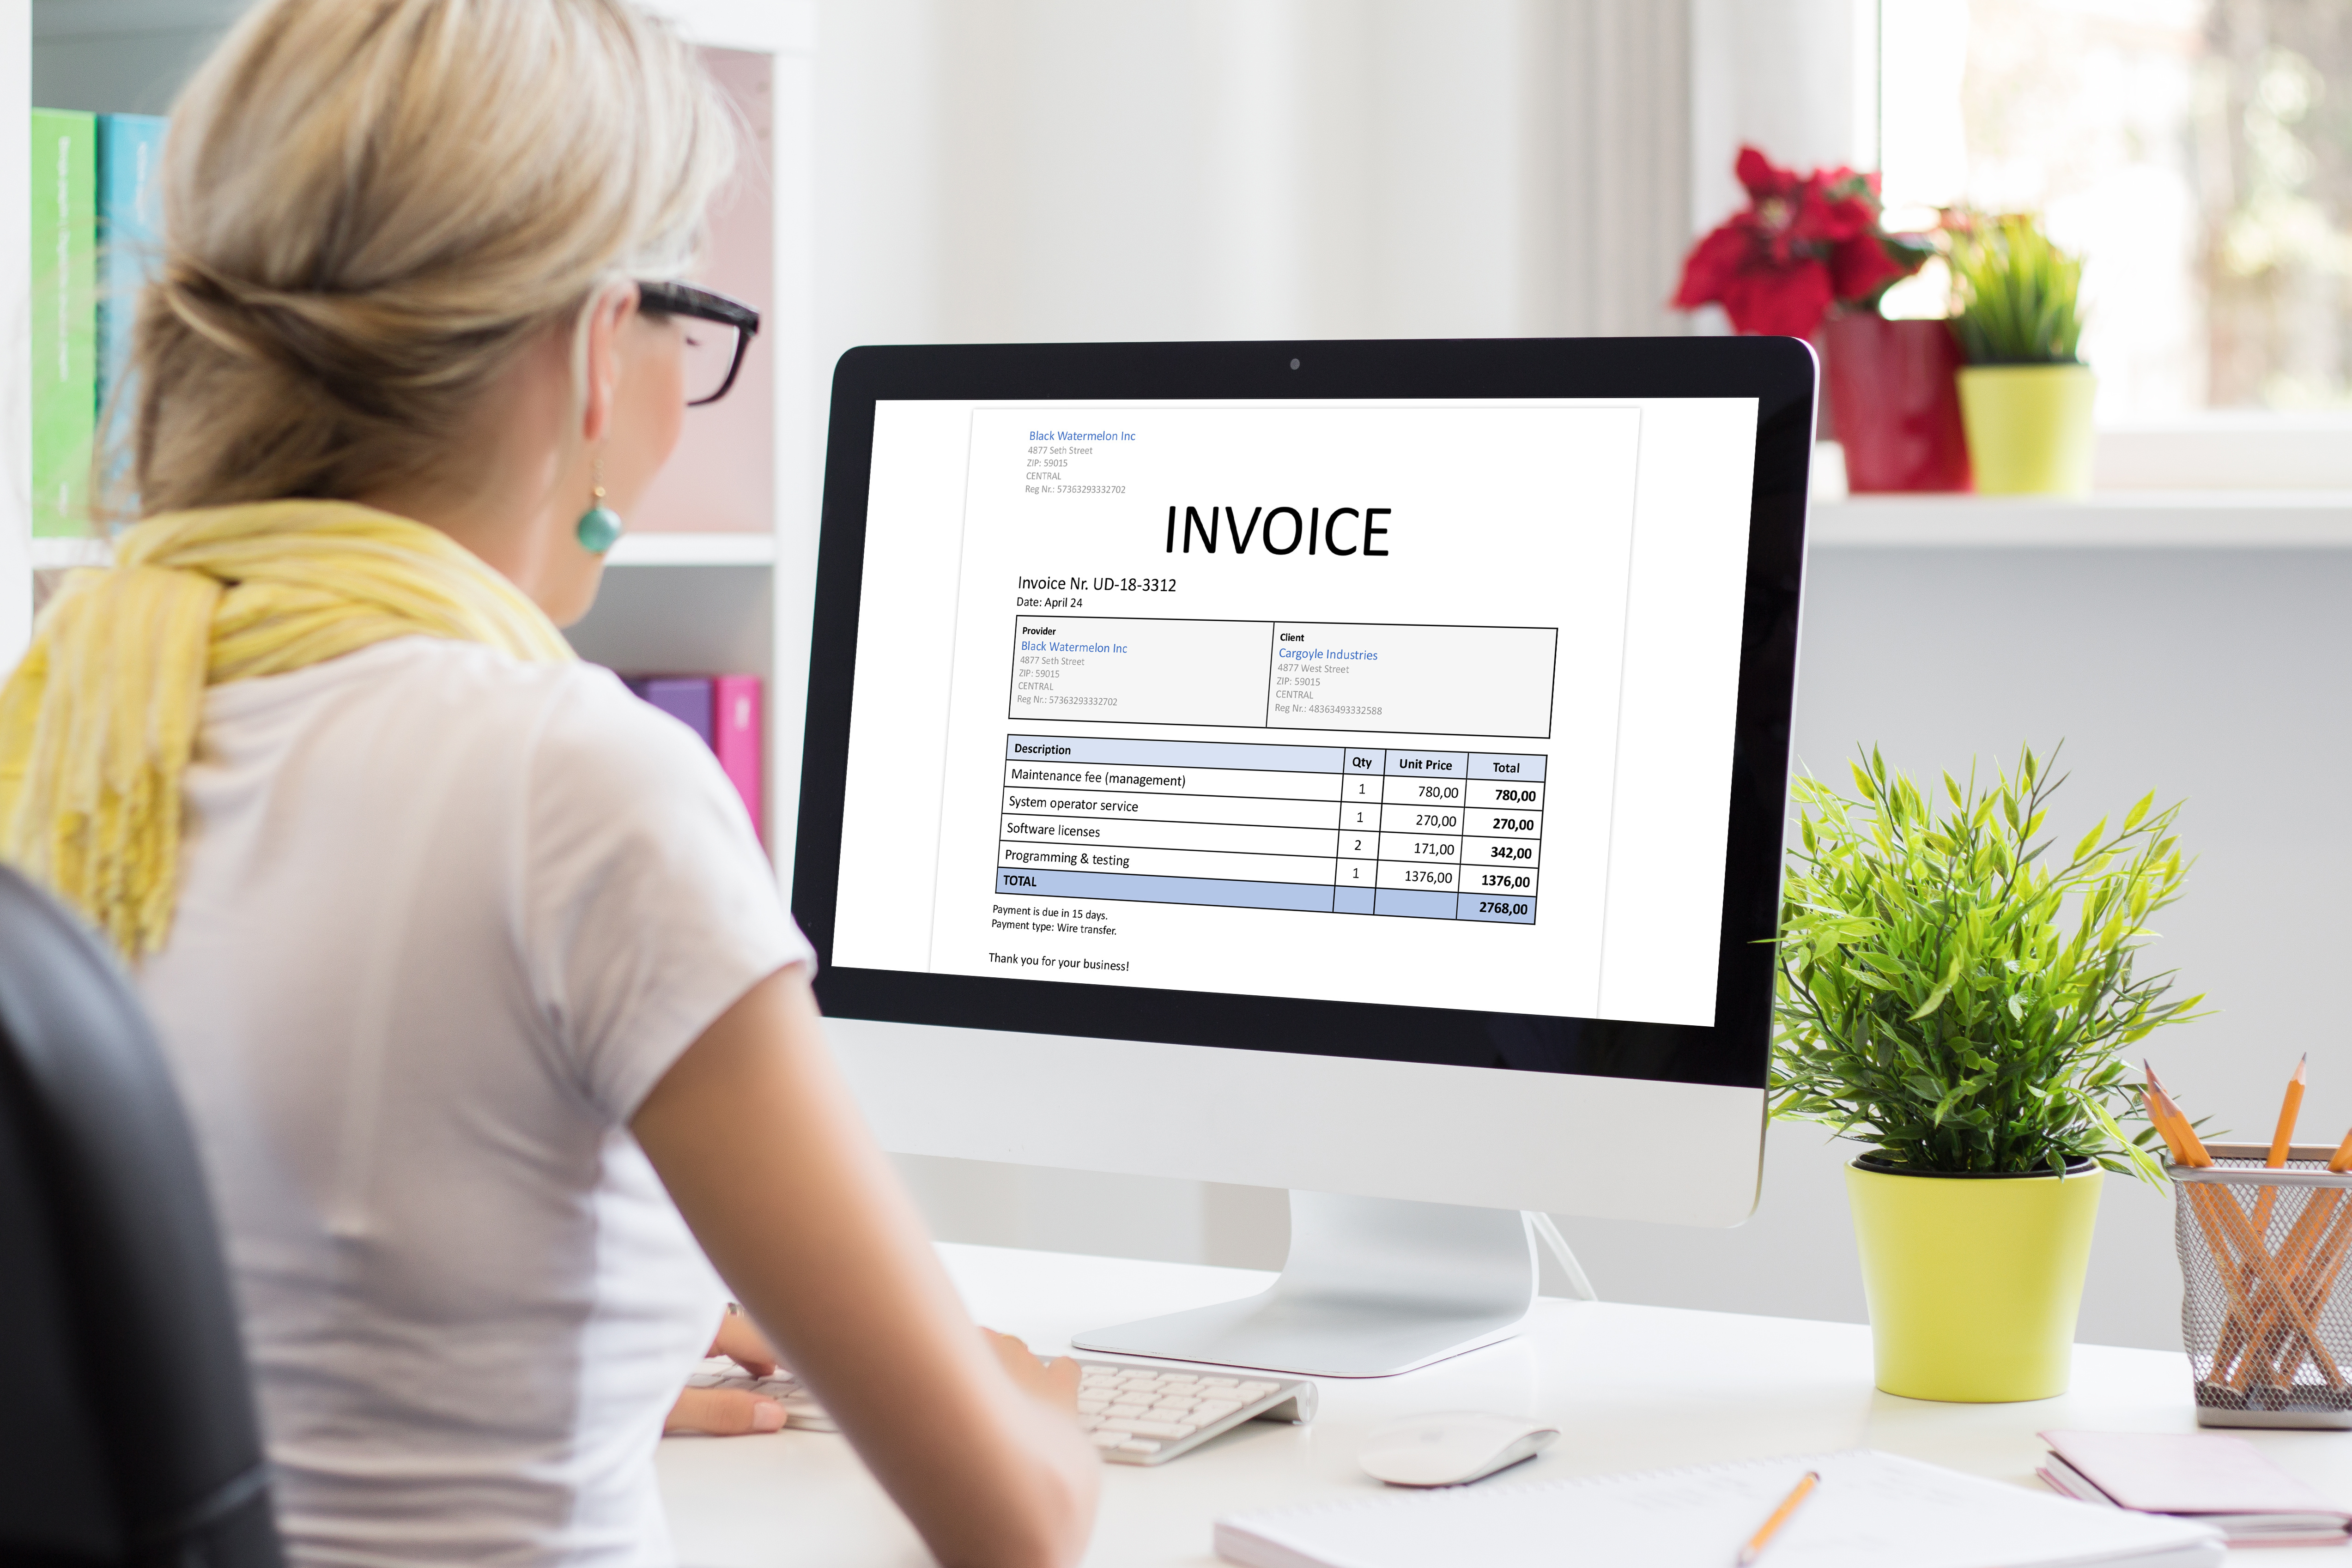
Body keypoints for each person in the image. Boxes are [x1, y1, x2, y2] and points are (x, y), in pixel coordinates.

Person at [0, 2, 1099, 1565]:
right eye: (691, 320)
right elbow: (1016, 1521)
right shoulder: (572, 784)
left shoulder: (71, 719)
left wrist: (580, 1351)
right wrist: (1044, 1410)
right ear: (598, 342)